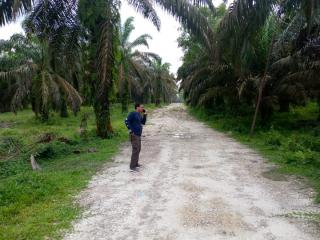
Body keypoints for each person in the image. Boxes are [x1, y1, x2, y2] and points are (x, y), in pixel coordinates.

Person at [125, 103, 147, 171]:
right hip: (134, 135)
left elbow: (143, 122)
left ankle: (136, 163)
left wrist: (145, 115)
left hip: (138, 135)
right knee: (135, 149)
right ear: (137, 107)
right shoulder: (133, 113)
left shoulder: (139, 115)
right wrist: (130, 130)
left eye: (143, 107)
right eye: (141, 107)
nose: (143, 108)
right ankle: (132, 166)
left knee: (138, 149)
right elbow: (126, 121)